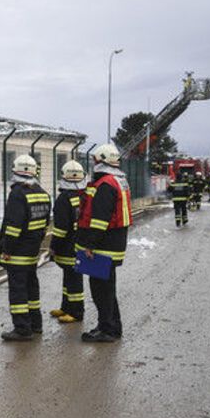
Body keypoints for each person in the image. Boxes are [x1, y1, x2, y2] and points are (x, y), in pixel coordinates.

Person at [77, 144, 132, 343]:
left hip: (103, 246)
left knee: (101, 290)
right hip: (114, 243)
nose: (93, 163)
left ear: (100, 161)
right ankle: (111, 326)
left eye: (94, 160)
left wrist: (90, 244)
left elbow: (100, 219)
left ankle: (107, 329)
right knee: (108, 288)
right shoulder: (119, 180)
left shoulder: (105, 184)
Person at [0, 154, 51, 341]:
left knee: (18, 290)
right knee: (31, 286)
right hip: (32, 250)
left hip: (18, 251)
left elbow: (13, 226)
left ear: (16, 170)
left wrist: (7, 249)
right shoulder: (43, 192)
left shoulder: (17, 194)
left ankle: (22, 329)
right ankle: (35, 324)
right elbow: (45, 223)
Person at [48, 160, 86, 324]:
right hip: (81, 242)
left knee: (73, 279)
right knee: (69, 277)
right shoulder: (84, 195)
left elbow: (60, 228)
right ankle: (66, 307)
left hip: (69, 246)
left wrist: (53, 246)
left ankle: (76, 312)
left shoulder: (64, 198)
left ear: (63, 176)